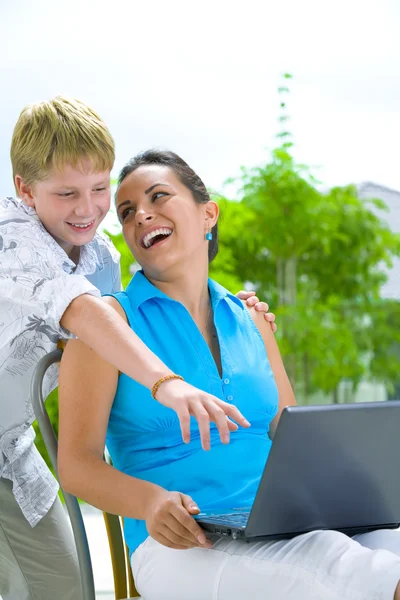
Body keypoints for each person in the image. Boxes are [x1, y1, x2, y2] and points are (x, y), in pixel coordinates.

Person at [58, 149, 400, 600]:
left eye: (158, 197)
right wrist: (150, 503)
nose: (141, 214)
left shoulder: (252, 319)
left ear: (207, 215)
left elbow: (289, 431)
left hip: (283, 522)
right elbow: (76, 467)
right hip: (181, 544)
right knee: (342, 568)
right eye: (126, 212)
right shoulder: (106, 328)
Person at [0, 100, 275, 600]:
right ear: (24, 189)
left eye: (100, 189)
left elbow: (135, 308)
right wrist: (166, 383)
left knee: (62, 587)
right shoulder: (8, 238)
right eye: (66, 194)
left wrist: (231, 308)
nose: (88, 209)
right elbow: (88, 314)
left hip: (10, 455)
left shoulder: (100, 255)